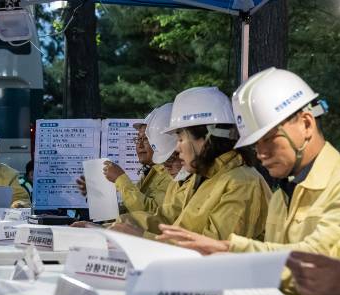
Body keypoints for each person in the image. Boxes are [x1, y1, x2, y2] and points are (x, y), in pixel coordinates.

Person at [157, 69, 340, 295]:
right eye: (256, 143)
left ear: (306, 124)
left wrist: (228, 250)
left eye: (269, 139)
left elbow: (313, 262)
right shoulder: (283, 194)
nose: (261, 154)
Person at [110, 86, 271, 241]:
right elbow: (166, 219)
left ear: (206, 139)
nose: (177, 147)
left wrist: (141, 237)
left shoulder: (242, 183)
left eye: (180, 139)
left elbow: (214, 252)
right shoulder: (201, 177)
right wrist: (112, 228)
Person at [75, 108, 174, 214]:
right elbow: (130, 212)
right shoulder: (150, 172)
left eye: (145, 139)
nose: (139, 145)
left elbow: (152, 215)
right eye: (137, 139)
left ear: (162, 140)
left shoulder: (171, 173)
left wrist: (120, 179)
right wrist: (97, 197)